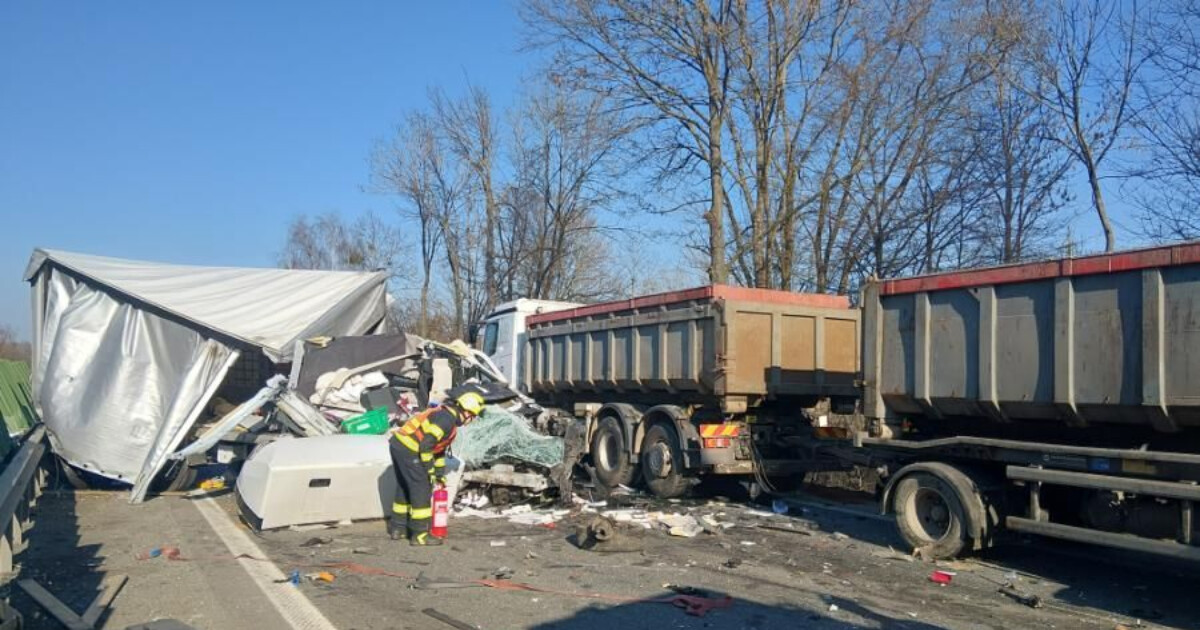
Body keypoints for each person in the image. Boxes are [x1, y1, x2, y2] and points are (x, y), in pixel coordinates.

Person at [388, 391, 485, 545]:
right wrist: (430, 471)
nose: (471, 420)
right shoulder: (446, 420)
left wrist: (439, 473)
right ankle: (420, 535)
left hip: (399, 445)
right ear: (466, 412)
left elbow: (438, 450)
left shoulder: (446, 417)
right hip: (410, 448)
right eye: (472, 416)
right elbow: (426, 445)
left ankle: (398, 528)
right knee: (421, 488)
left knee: (405, 486)